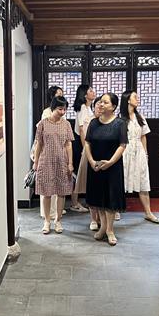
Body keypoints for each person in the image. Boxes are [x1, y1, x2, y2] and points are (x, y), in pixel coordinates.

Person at [85, 93, 128, 246]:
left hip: (112, 167)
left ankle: (110, 230)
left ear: (114, 106)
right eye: (101, 102)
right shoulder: (93, 123)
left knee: (111, 198)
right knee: (99, 198)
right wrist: (91, 161)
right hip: (95, 166)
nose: (101, 104)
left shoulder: (120, 123)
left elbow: (122, 145)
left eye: (105, 102)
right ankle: (103, 227)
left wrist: (110, 162)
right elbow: (88, 143)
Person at [33, 96, 74, 234]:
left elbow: (68, 145)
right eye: (60, 109)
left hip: (62, 161)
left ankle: (58, 220)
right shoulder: (42, 124)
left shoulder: (66, 124)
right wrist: (36, 162)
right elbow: (39, 144)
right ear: (52, 108)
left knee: (61, 192)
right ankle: (47, 221)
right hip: (46, 161)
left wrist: (70, 163)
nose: (62, 112)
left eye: (64, 109)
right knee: (46, 193)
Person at [120, 90, 159, 223]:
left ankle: (148, 212)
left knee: (143, 180)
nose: (138, 99)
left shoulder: (140, 117)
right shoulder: (120, 118)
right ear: (128, 100)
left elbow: (143, 136)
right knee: (121, 179)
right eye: (135, 97)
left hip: (139, 151)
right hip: (125, 150)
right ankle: (115, 210)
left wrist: (145, 153)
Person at [34, 86, 66, 219]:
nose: (60, 96)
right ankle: (47, 213)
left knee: (56, 183)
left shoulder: (61, 112)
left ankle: (55, 211)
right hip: (46, 151)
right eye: (58, 94)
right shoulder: (47, 112)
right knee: (46, 184)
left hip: (58, 151)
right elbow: (41, 135)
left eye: (61, 94)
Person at [73, 97, 103, 230]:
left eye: (103, 105)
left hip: (104, 156)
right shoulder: (89, 120)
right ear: (94, 107)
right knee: (91, 187)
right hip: (90, 154)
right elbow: (86, 139)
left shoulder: (110, 121)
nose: (100, 107)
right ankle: (93, 219)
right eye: (98, 105)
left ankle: (102, 218)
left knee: (102, 189)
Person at [71, 84, 96, 212]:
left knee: (84, 173)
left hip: (86, 142)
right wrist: (85, 147)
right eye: (91, 90)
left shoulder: (88, 108)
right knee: (77, 172)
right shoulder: (82, 108)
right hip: (80, 143)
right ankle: (74, 203)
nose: (93, 92)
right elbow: (81, 130)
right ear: (85, 95)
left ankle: (83, 201)